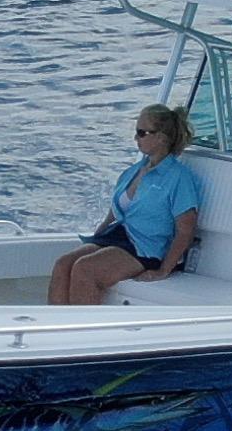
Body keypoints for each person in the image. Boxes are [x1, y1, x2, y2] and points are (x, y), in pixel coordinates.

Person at [50, 104, 204, 306]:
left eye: (141, 133)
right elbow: (116, 212)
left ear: (161, 137)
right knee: (63, 264)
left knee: (85, 269)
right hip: (118, 237)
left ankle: (85, 326)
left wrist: (163, 270)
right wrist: (98, 236)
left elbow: (186, 230)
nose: (135, 138)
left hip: (147, 247)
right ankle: (59, 325)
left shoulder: (178, 177)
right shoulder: (135, 171)